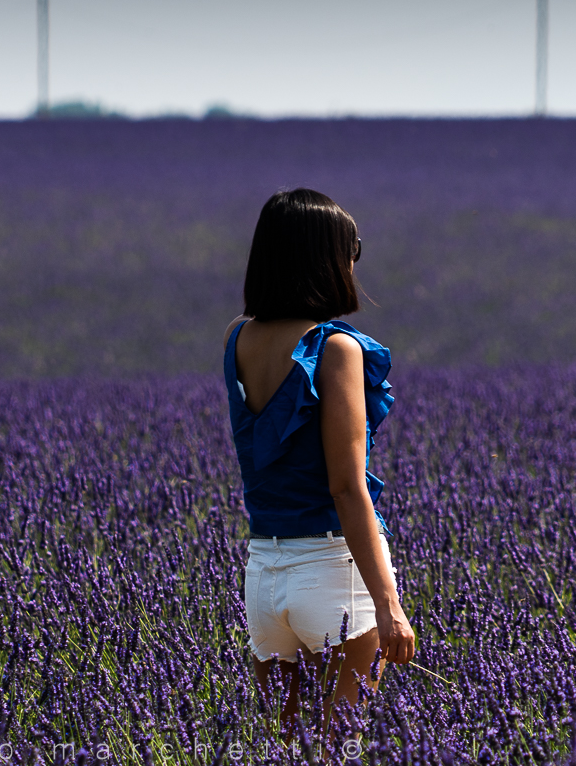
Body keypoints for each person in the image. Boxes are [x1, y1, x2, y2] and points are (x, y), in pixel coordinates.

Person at [222, 188, 415, 746]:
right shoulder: (337, 350)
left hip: (263, 576)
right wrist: (388, 605)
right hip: (332, 574)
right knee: (340, 750)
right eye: (351, 248)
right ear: (326, 258)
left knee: (282, 751)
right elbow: (347, 488)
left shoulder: (238, 338)